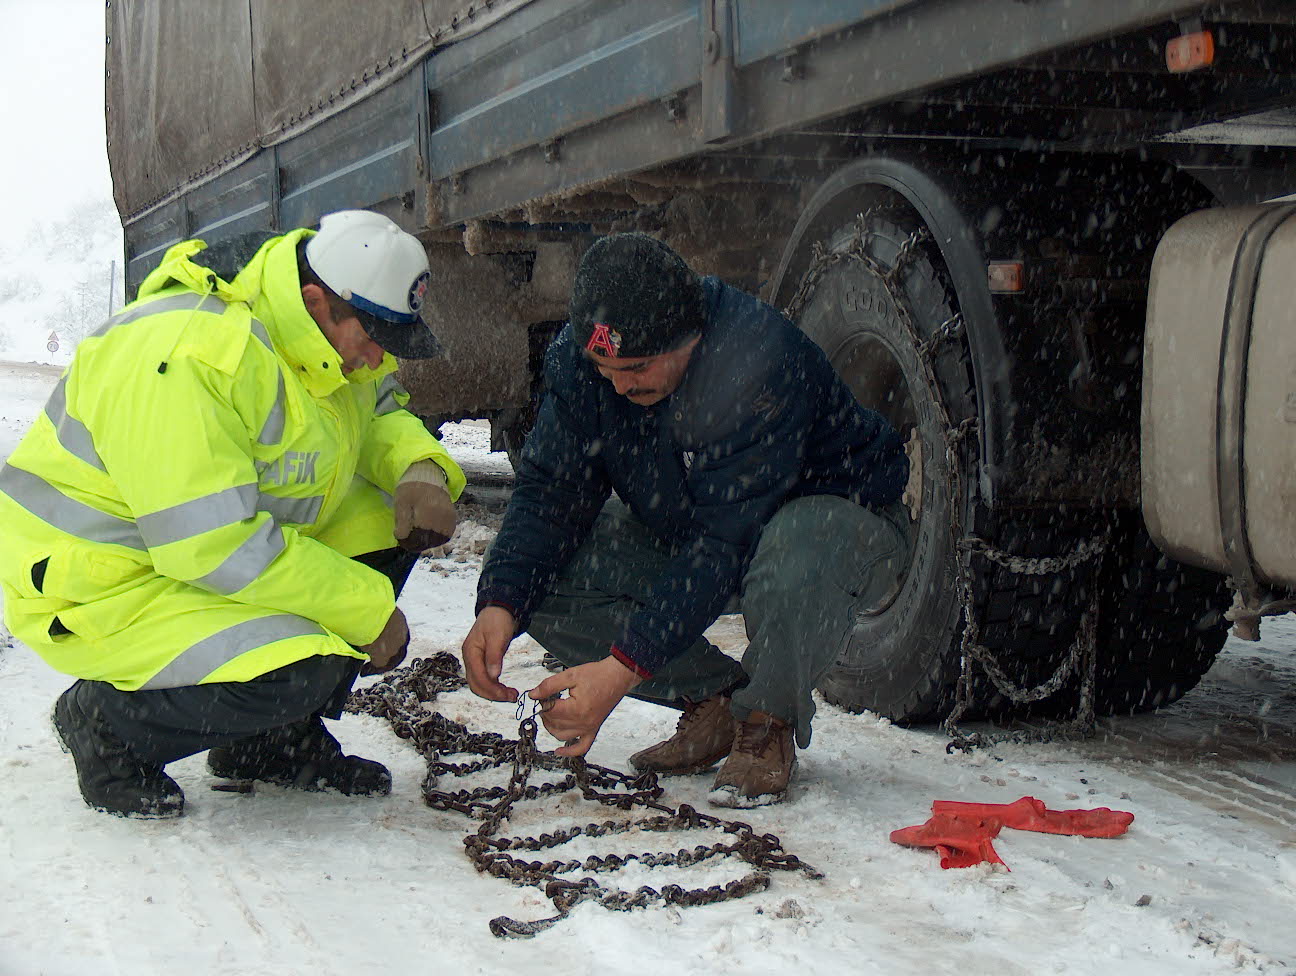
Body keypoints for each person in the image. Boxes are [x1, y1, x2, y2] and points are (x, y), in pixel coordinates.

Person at [0, 209, 465, 818]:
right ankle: (107, 726)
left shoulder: (327, 339)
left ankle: (269, 744)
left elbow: (376, 412)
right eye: (375, 339)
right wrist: (367, 610)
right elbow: (213, 545)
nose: (379, 360)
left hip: (191, 557)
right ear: (315, 300)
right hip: (102, 582)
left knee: (383, 517)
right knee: (308, 661)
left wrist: (419, 470)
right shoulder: (185, 356)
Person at [461, 232, 909, 808]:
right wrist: (500, 602)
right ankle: (714, 700)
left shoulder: (756, 363)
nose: (620, 384)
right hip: (703, 527)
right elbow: (550, 493)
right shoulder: (586, 367)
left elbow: (723, 546)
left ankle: (765, 722)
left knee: (795, 551)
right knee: (545, 580)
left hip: (838, 529)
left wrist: (621, 669)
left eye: (639, 367)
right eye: (605, 368)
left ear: (690, 337)